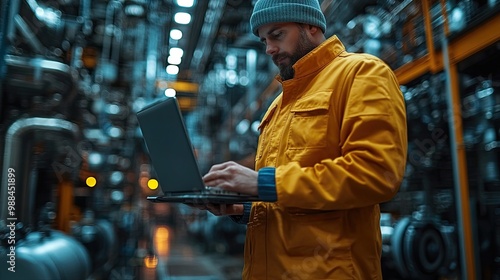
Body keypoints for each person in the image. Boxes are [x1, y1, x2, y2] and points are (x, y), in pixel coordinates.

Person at [197, 0, 408, 279]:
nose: (269, 48)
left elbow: (376, 173)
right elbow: (291, 202)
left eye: (277, 34)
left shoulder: (361, 74)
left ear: (311, 25)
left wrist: (263, 183)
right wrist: (243, 208)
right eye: (263, 40)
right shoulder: (277, 105)